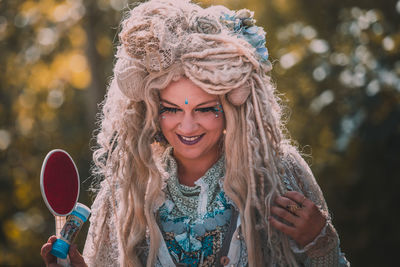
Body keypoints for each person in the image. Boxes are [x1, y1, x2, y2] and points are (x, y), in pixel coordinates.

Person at [41, 0, 349, 266]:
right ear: (152, 110)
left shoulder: (277, 176)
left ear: (231, 107)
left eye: (204, 109)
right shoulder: (128, 191)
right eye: (172, 109)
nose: (187, 127)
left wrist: (320, 243)